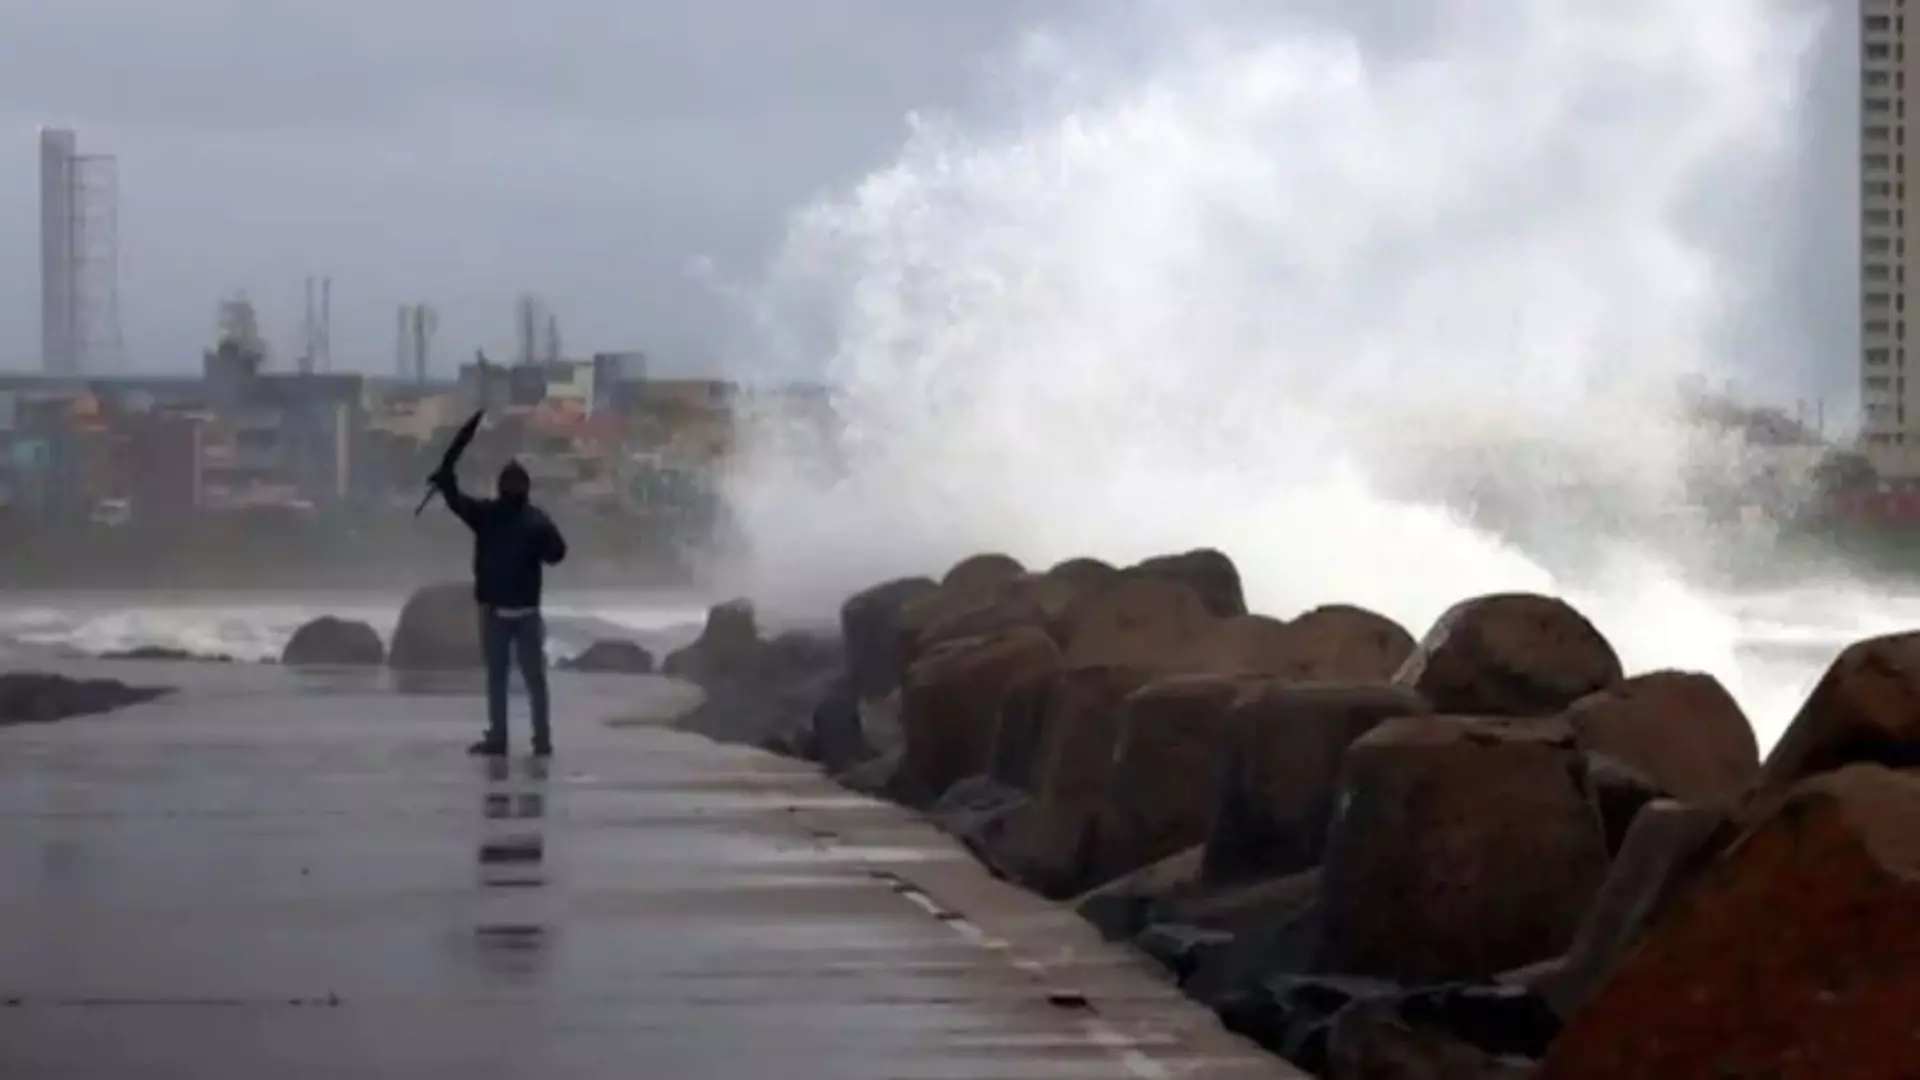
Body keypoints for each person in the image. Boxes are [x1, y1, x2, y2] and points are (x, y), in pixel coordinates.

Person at [430, 460, 568, 757]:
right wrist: (447, 484)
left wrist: (446, 482)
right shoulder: (533, 519)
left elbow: (459, 504)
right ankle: (539, 740)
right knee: (533, 681)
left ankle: (501, 738)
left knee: (500, 680)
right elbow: (557, 554)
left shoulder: (490, 516)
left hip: (499, 614)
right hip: (523, 613)